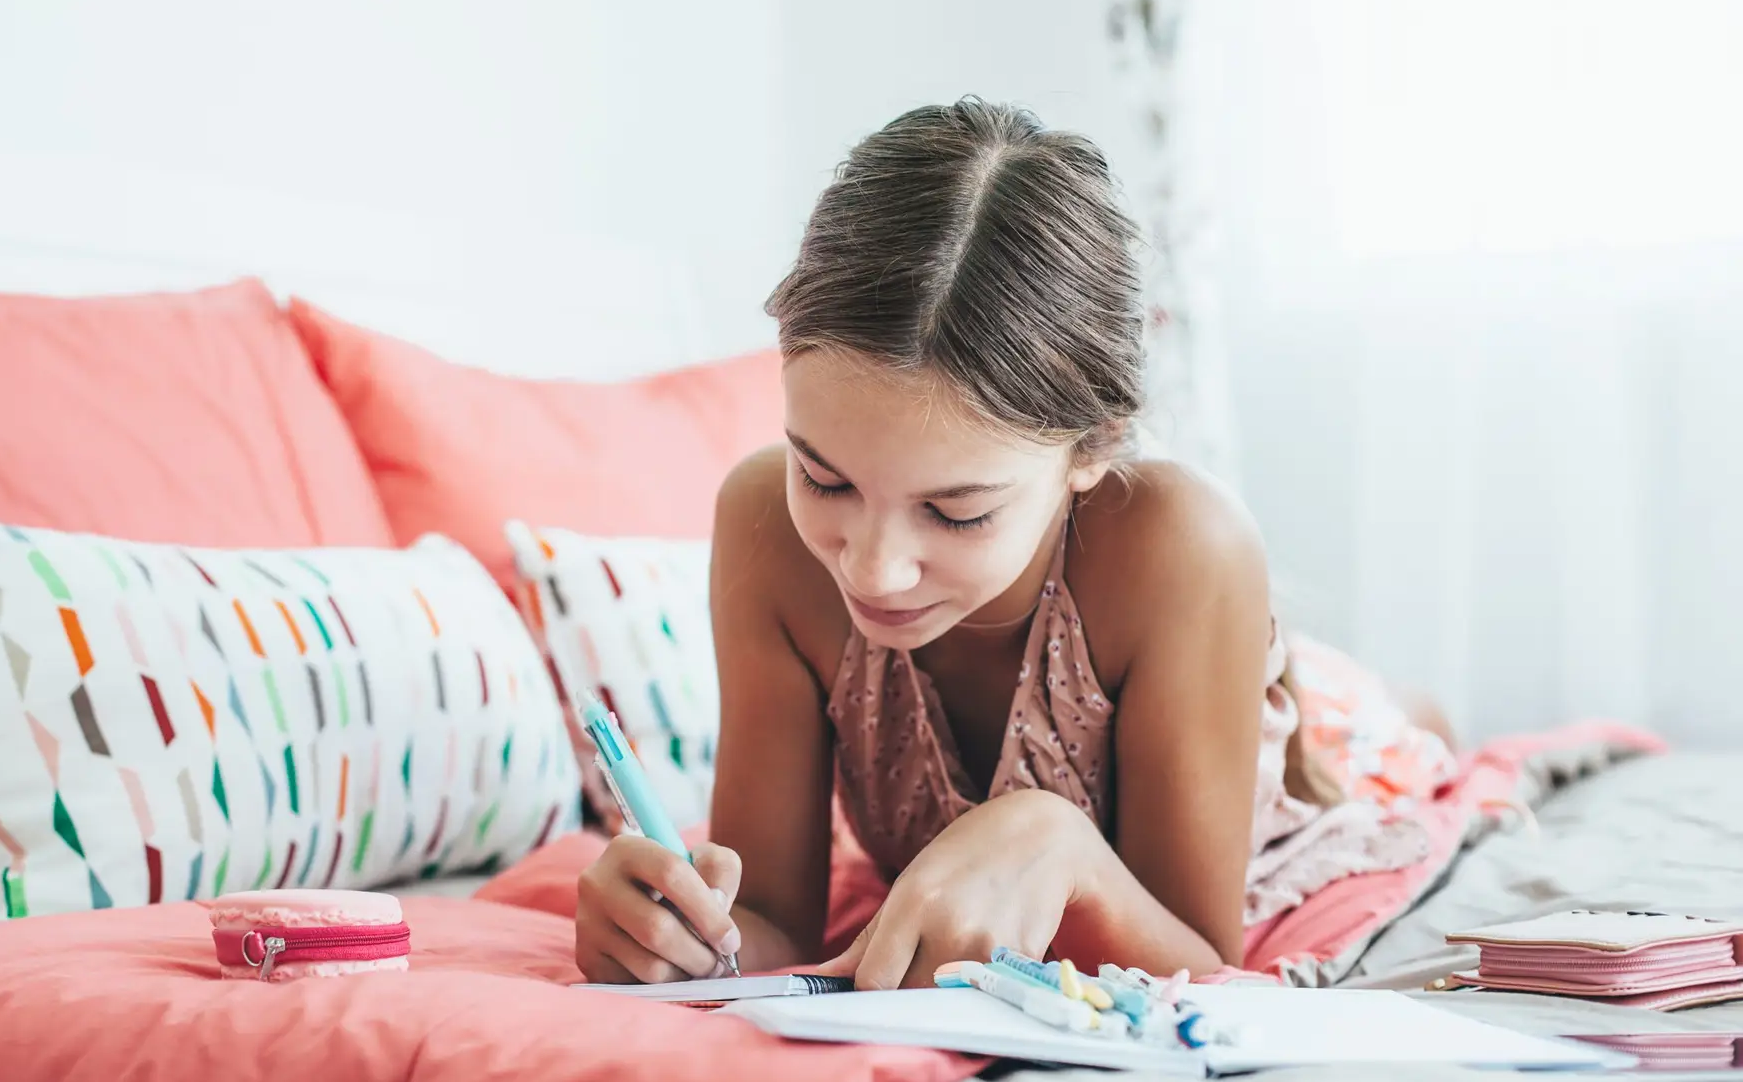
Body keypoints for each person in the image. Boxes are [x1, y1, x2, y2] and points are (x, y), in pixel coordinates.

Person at [575, 98, 1457, 991]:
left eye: (956, 513)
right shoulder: (765, 526)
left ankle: (1394, 703)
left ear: (1091, 448)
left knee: (1388, 737)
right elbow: (769, 928)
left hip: (1268, 718)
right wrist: (664, 937)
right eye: (826, 479)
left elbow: (1203, 960)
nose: (872, 568)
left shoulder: (1182, 546)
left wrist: (1056, 840)